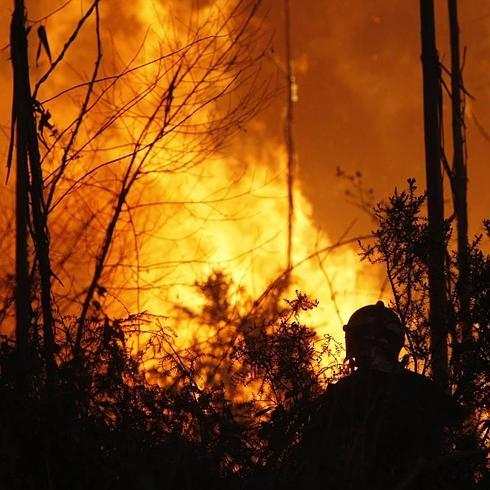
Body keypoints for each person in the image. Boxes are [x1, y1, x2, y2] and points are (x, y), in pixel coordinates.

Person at [298, 301, 461, 490]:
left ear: (356, 340)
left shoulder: (344, 393)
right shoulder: (426, 389)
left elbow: (315, 455)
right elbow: (458, 427)